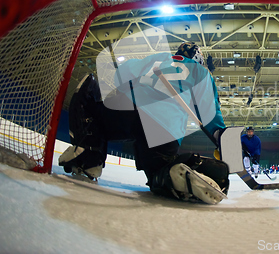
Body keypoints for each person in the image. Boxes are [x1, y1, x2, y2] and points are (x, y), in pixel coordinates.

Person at [59, 41, 230, 204]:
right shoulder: (202, 73)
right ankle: (173, 173)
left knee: (94, 116)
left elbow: (123, 73)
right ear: (199, 59)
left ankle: (89, 159)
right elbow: (209, 111)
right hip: (166, 128)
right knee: (158, 171)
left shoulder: (161, 58)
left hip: (131, 109)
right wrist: (219, 135)